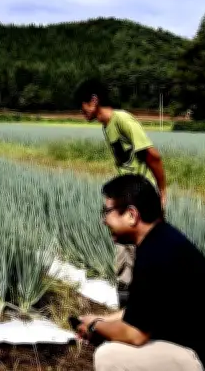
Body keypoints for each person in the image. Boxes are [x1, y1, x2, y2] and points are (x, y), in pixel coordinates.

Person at [75, 174, 205, 371]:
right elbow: (141, 311)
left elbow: (134, 334)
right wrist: (101, 320)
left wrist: (94, 327)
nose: (104, 220)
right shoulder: (161, 240)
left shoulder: (155, 254)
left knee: (109, 356)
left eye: (107, 212)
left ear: (131, 215)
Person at [73, 78, 167, 308]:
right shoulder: (107, 127)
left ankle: (150, 309)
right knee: (124, 254)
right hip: (127, 196)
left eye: (82, 106)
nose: (81, 112)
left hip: (141, 195)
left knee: (144, 253)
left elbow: (153, 156)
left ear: (94, 101)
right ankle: (126, 308)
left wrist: (162, 191)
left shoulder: (122, 120)